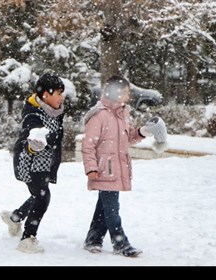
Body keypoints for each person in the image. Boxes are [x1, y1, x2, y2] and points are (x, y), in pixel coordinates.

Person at [82, 75, 166, 257]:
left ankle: (93, 239)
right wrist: (91, 168)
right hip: (104, 169)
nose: (129, 96)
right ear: (115, 93)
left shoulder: (123, 113)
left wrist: (143, 132)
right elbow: (88, 145)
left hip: (118, 168)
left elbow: (127, 138)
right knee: (112, 208)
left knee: (105, 206)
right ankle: (120, 243)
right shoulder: (99, 116)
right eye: (126, 93)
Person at [0, 73, 65, 254]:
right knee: (43, 197)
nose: (61, 97)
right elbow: (32, 132)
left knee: (38, 195)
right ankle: (27, 238)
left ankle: (15, 217)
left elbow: (55, 137)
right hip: (30, 161)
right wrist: (35, 142)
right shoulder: (33, 113)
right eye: (58, 93)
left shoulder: (55, 111)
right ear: (46, 95)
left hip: (45, 162)